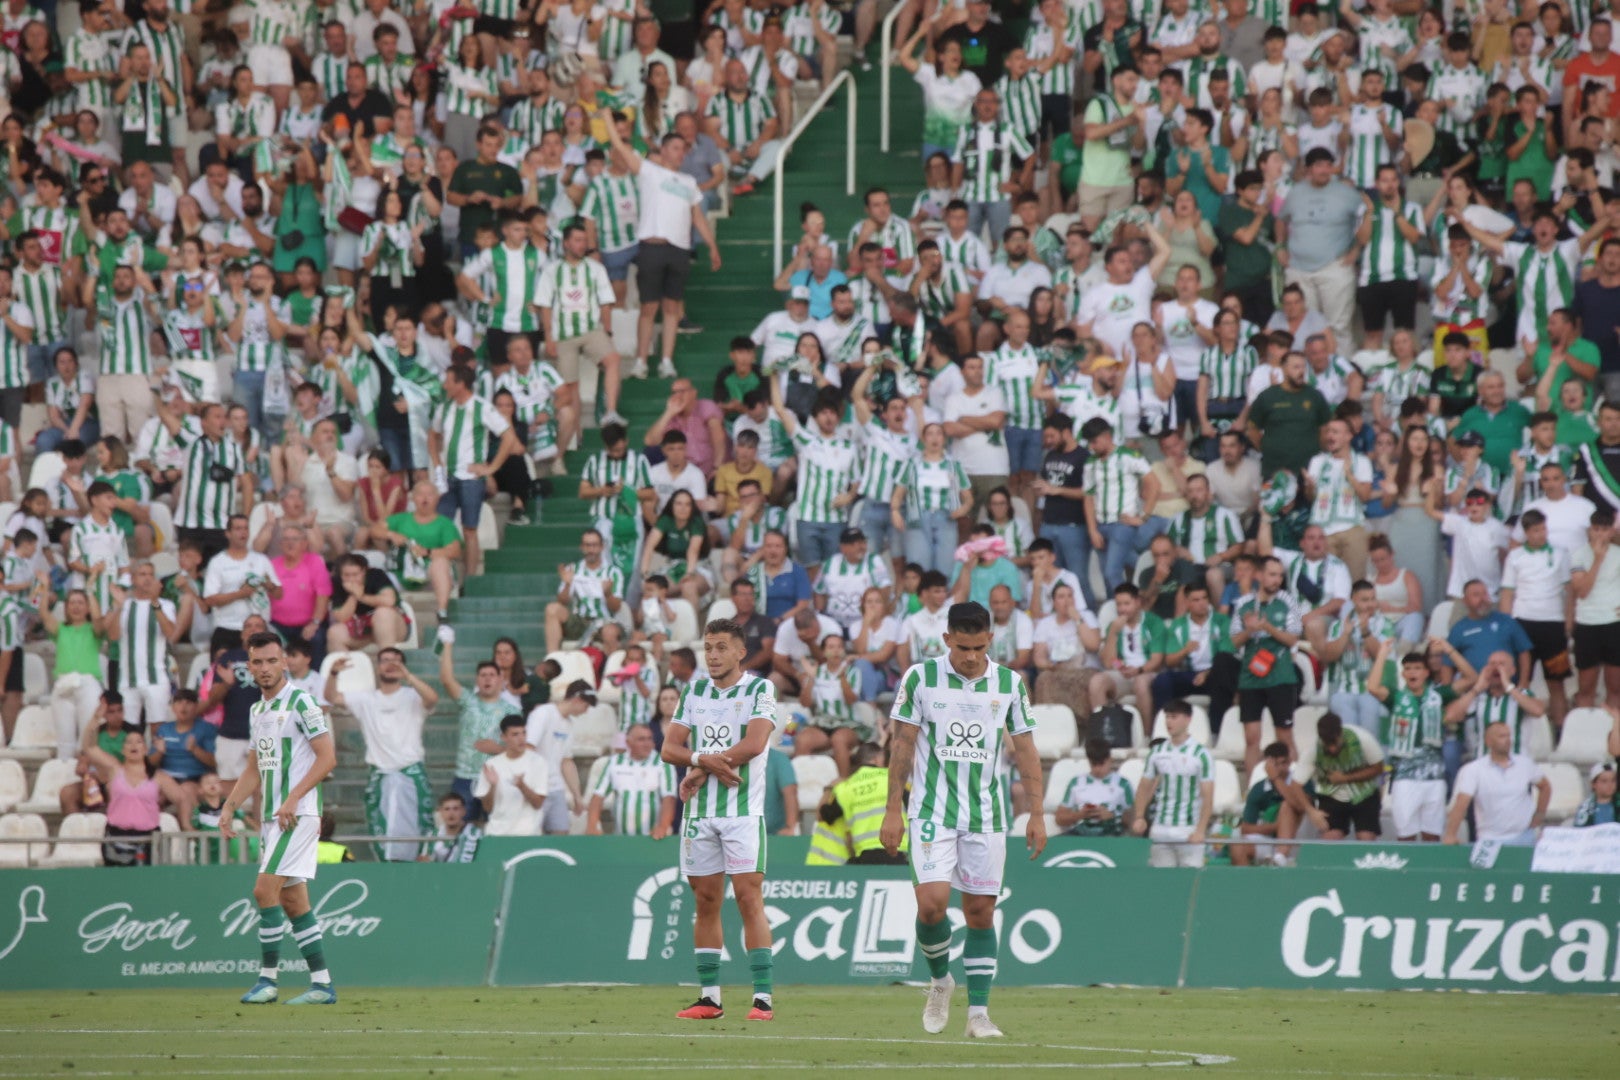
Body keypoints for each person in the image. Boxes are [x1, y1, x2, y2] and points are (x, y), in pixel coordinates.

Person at [881, 600, 1043, 1039]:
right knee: (931, 906)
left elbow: (1026, 749)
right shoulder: (920, 678)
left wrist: (1036, 813)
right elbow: (902, 745)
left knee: (980, 914)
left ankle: (979, 1015)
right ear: (946, 639)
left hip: (986, 816)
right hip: (931, 812)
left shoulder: (1009, 683)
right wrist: (893, 808)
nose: (970, 656)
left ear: (990, 639)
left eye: (978, 646)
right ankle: (939, 981)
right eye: (962, 646)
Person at [660, 618, 781, 1021]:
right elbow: (669, 748)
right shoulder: (693, 691)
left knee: (749, 899)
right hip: (699, 814)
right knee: (706, 901)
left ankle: (762, 998)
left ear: (740, 651)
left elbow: (754, 743)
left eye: (721, 647)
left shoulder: (760, 689)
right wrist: (702, 762)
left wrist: (700, 766)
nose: (712, 655)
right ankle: (709, 997)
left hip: (742, 813)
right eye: (708, 647)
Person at [219, 631, 338, 1005]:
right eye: (258, 662)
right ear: (249, 666)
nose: (266, 668)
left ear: (285, 661)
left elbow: (327, 758)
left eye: (273, 661)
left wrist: (293, 797)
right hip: (274, 819)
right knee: (294, 903)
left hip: (297, 814)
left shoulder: (302, 702)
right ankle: (322, 985)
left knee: (263, 890)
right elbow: (255, 766)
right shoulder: (258, 710)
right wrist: (230, 804)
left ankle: (267, 981)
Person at [325, 648, 439, 862]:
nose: (391, 664)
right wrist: (333, 674)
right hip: (379, 774)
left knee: (420, 825)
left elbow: (432, 698)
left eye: (396, 661)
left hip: (410, 771)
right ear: (378, 668)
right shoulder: (366, 699)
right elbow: (331, 697)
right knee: (380, 829)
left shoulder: (413, 696)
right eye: (385, 660)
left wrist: (408, 676)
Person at [1230, 555, 1305, 775]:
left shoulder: (1288, 601)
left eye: (1280, 575)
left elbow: (1293, 639)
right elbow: (1234, 642)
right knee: (1251, 737)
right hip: (1250, 677)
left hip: (1280, 675)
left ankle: (1294, 782)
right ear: (1259, 575)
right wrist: (1249, 630)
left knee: (1284, 735)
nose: (1277, 580)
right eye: (1272, 575)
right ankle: (1254, 785)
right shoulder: (1244, 604)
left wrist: (1267, 627)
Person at [1368, 641, 1449, 842]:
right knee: (1405, 834)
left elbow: (1471, 680)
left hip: (1434, 774)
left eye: (1418, 668)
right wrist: (1381, 655)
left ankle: (1432, 874)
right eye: (1407, 668)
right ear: (1403, 674)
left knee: (1432, 835)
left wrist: (1449, 651)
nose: (1412, 672)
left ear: (1426, 673)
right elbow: (1372, 687)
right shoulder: (1396, 696)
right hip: (1404, 773)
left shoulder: (1438, 696)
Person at [1130, 698, 1215, 867]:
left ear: (1188, 719)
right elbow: (1144, 786)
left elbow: (1208, 796)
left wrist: (1200, 830)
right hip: (1160, 828)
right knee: (1163, 884)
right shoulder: (1157, 752)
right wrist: (1139, 816)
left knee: (1189, 884)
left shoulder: (1201, 754)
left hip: (1188, 829)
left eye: (1174, 717)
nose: (1169, 722)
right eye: (1167, 717)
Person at [1443, 721, 1551, 845]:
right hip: (1489, 839)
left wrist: (1540, 814)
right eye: (1501, 736)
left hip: (1525, 836)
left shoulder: (1525, 764)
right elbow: (1461, 803)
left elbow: (1545, 787)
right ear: (1488, 741)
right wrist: (1451, 834)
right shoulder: (1474, 769)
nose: (1508, 740)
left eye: (1508, 736)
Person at [441, 637, 510, 821]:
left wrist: (497, 749)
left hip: (495, 777)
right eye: (483, 675)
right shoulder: (468, 701)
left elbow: (519, 747)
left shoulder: (512, 710)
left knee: (496, 828)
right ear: (477, 680)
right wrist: (448, 645)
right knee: (460, 830)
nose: (487, 679)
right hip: (465, 777)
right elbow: (447, 680)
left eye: (492, 675)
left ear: (501, 679)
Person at [1230, 741, 1327, 867]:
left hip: (1300, 837)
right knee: (1238, 848)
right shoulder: (1258, 789)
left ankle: (1281, 856)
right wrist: (1276, 827)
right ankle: (1247, 884)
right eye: (1274, 765)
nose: (1280, 768)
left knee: (1287, 806)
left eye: (1283, 763)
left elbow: (1299, 806)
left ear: (1289, 762)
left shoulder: (1302, 781)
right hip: (1270, 839)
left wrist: (1276, 779)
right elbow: (1246, 828)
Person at [586, 723, 677, 837]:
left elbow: (669, 799)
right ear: (628, 742)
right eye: (641, 739)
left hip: (653, 838)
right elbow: (597, 797)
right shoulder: (615, 763)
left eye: (649, 739)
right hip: (621, 838)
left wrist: (663, 826)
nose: (647, 744)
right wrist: (592, 826)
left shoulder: (663, 764)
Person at [1310, 711, 1386, 842]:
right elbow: (1296, 783)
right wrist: (1311, 810)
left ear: (1340, 734)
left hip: (1364, 793)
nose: (1332, 749)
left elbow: (1379, 768)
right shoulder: (1314, 748)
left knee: (1365, 839)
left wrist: (1345, 778)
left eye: (1334, 743)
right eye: (1328, 744)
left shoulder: (1363, 739)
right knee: (1329, 841)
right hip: (1332, 795)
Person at [475, 714, 549, 836]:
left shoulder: (538, 762)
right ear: (503, 737)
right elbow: (487, 808)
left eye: (523, 733)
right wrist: (493, 786)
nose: (521, 739)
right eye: (515, 734)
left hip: (528, 833)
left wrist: (522, 786)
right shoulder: (491, 765)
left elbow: (538, 804)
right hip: (497, 833)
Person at [1054, 738, 1134, 837]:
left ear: (1110, 759)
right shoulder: (1076, 783)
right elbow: (1059, 818)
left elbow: (1134, 818)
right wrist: (1080, 815)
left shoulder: (1123, 784)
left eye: (1101, 764)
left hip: (1111, 834)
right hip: (1081, 833)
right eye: (1094, 764)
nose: (1097, 769)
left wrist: (1113, 816)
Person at [425, 791, 483, 863]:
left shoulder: (475, 834)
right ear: (441, 812)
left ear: (463, 811)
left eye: (455, 809)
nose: (451, 813)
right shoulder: (432, 835)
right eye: (447, 809)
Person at [1574, 762, 1618, 827]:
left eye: (1613, 780)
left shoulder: (1618, 803)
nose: (1610, 785)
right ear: (1593, 784)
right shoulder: (1585, 808)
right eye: (1604, 781)